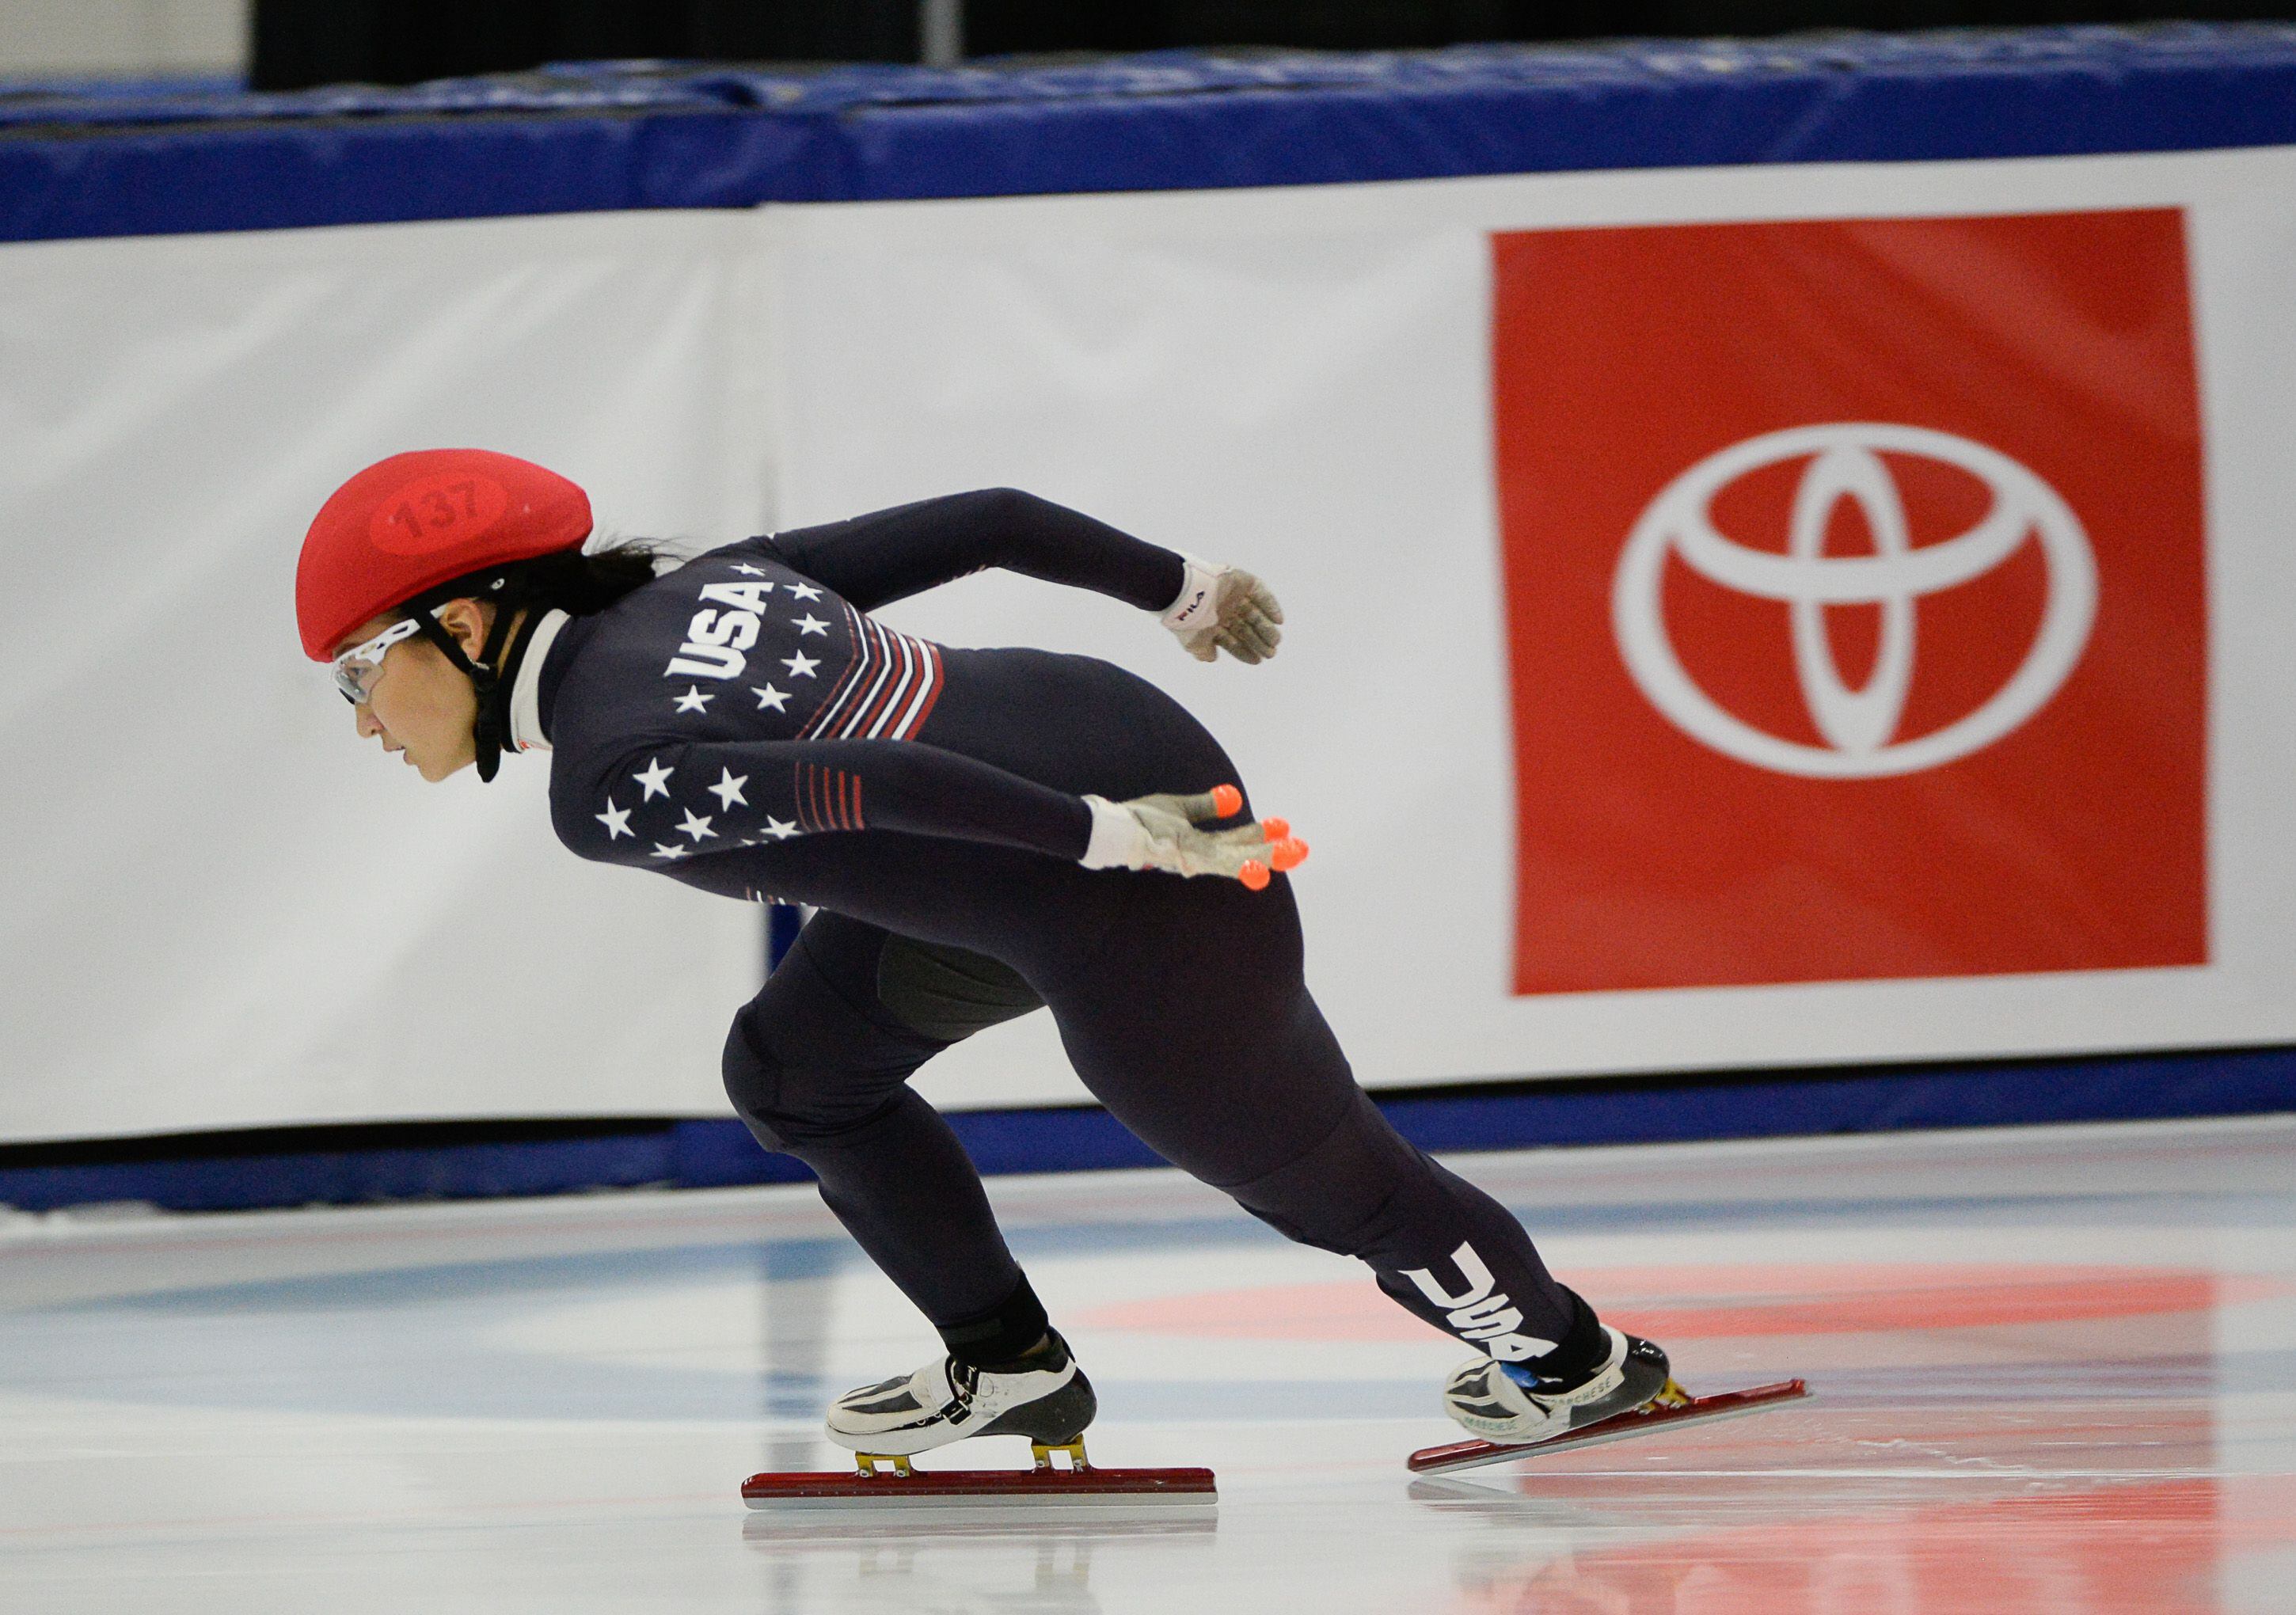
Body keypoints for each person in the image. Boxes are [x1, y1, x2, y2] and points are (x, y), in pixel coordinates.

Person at [295, 447, 1672, 1459]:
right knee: (792, 1071)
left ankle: (1569, 1361)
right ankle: (1007, 1364)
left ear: (463, 627)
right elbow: (994, 519)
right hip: (1077, 782)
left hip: (1107, 870)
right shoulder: (703, 584)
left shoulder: (601, 782)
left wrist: (1100, 841)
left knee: (1323, 1182)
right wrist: (1179, 591)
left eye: (361, 674)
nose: (363, 720)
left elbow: (858, 782)